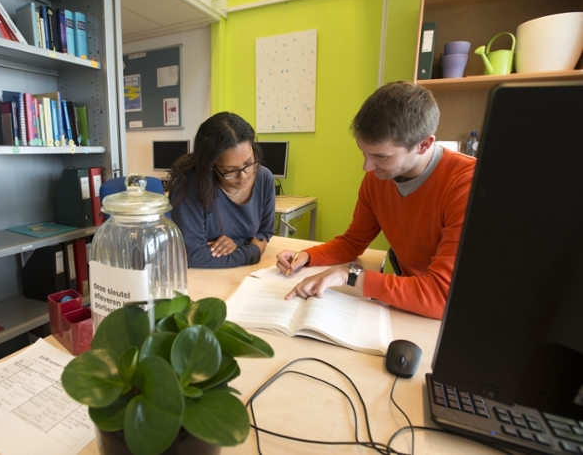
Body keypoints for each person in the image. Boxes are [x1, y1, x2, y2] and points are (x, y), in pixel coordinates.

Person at [276, 82, 476, 319]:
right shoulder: (377, 177)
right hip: (410, 302)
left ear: (424, 144)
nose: (367, 167)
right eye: (364, 152)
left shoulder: (466, 185)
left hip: (452, 313)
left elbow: (443, 296)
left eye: (381, 156)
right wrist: (308, 256)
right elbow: (353, 242)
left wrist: (349, 275)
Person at [167, 112, 276, 268]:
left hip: (243, 273)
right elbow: (193, 255)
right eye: (231, 170)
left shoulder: (264, 177)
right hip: (202, 277)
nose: (244, 175)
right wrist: (252, 252)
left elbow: (263, 233)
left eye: (249, 162)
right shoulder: (188, 186)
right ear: (210, 166)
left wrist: (237, 244)